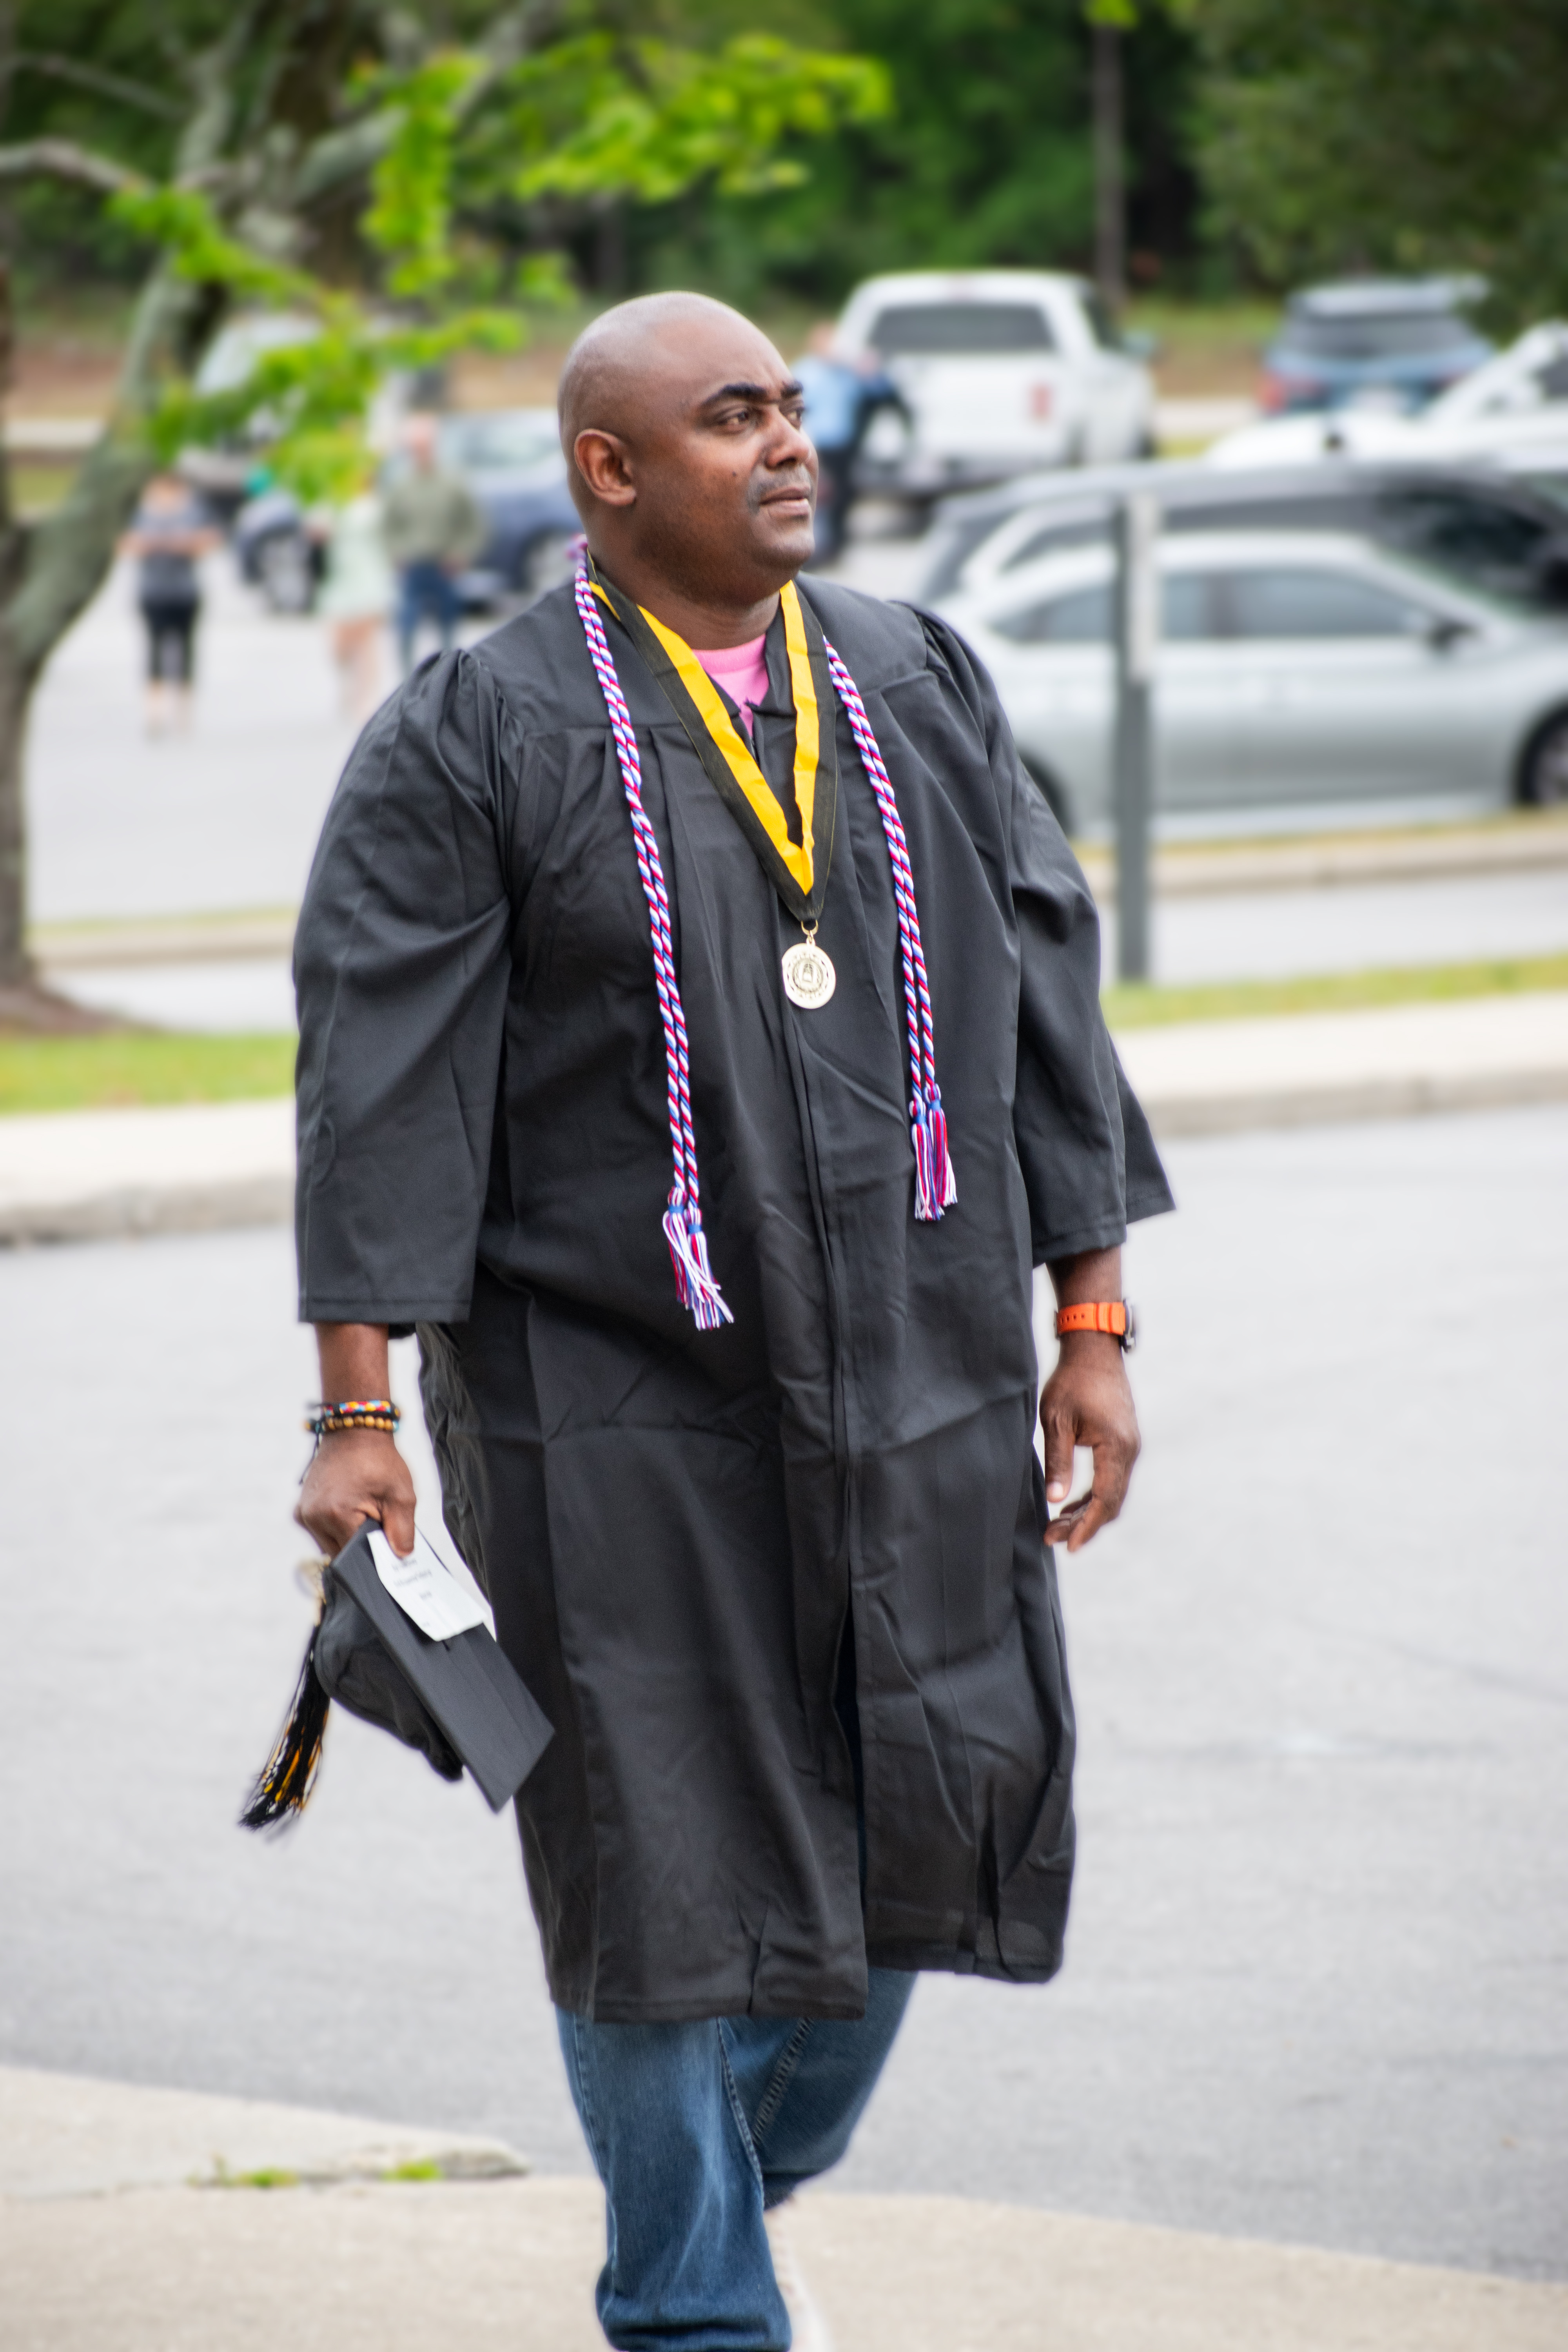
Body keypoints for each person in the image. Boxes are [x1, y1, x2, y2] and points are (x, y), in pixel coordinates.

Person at [292, 292, 1173, 2352]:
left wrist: (1098, 1318)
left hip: (925, 1373)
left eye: (790, 405)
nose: (789, 442)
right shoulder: (476, 730)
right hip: (611, 1400)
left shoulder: (908, 673)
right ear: (608, 470)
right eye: (727, 417)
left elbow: (1045, 986)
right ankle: (695, 2310)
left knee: (912, 1820)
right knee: (656, 1862)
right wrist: (359, 1409)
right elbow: (385, 1074)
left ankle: (734, 2198)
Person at [381, 411, 486, 674]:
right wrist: (396, 552)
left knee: (448, 626)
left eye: (424, 447)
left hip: (443, 564)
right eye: (414, 449)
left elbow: (473, 523)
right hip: (414, 564)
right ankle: (407, 679)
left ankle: (448, 677)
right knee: (407, 624)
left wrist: (461, 553)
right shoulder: (402, 485)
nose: (420, 453)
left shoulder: (452, 482)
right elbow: (388, 525)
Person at [793, 319, 901, 564]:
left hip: (845, 444)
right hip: (816, 443)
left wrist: (872, 370)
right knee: (819, 494)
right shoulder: (806, 371)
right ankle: (814, 546)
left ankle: (836, 545)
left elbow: (881, 392)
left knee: (844, 494)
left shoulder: (848, 371)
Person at [118, 471, 220, 733]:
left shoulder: (194, 509)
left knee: (186, 651)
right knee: (154, 650)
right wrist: (151, 544)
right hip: (153, 591)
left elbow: (211, 539)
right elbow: (125, 543)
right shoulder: (140, 512)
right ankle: (155, 713)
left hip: (185, 591)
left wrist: (182, 544)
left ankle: (183, 713)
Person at [315, 465, 394, 724]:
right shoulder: (332, 504)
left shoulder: (375, 507)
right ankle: (348, 686)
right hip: (340, 580)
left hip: (369, 578)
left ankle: (366, 698)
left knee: (367, 642)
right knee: (339, 644)